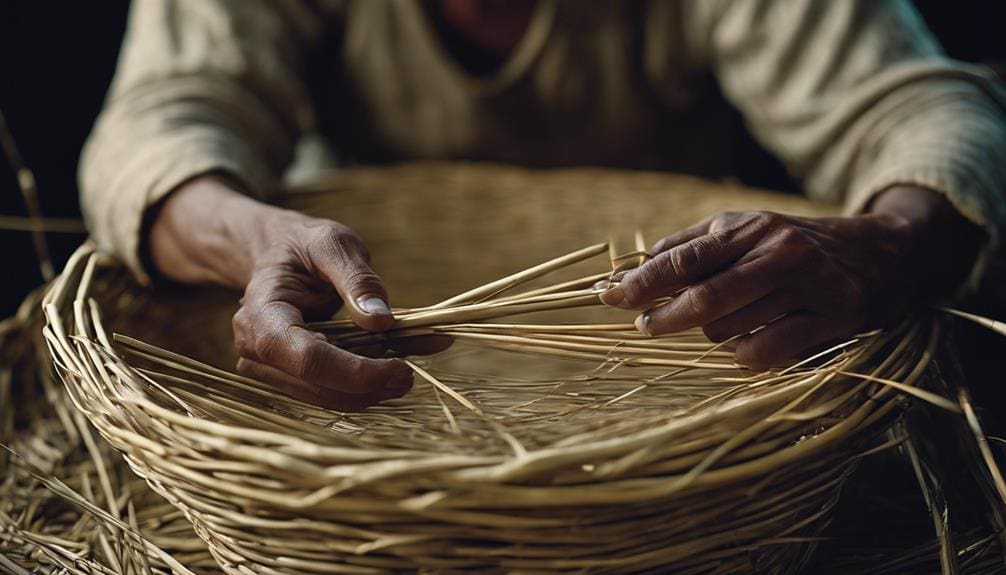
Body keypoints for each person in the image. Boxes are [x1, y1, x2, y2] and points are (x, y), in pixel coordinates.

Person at [80, 0, 1006, 409]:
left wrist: (891, 237)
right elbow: (153, 132)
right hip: (354, 351)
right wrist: (254, 239)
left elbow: (924, 109)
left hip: (679, 378)